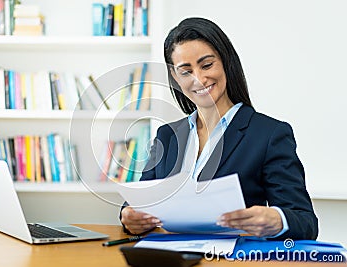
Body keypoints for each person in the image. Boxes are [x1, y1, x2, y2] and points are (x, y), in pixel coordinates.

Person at [120, 17, 318, 240]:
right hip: (171, 256)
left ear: (225, 62)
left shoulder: (269, 134)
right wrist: (129, 217)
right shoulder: (167, 136)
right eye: (186, 71)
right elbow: (138, 202)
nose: (199, 79)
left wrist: (276, 220)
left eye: (206, 65)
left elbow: (306, 222)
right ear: (175, 78)